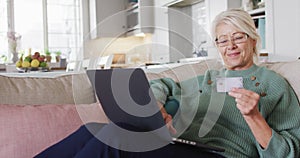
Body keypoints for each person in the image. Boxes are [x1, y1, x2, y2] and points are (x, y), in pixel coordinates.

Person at [35, 8, 300, 158]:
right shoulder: (208, 77)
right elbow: (163, 84)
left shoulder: (274, 84)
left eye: (238, 37)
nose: (229, 45)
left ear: (253, 39)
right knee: (92, 129)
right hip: (180, 145)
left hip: (223, 155)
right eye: (222, 39)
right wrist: (158, 104)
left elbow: (289, 153)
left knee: (114, 138)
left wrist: (254, 117)